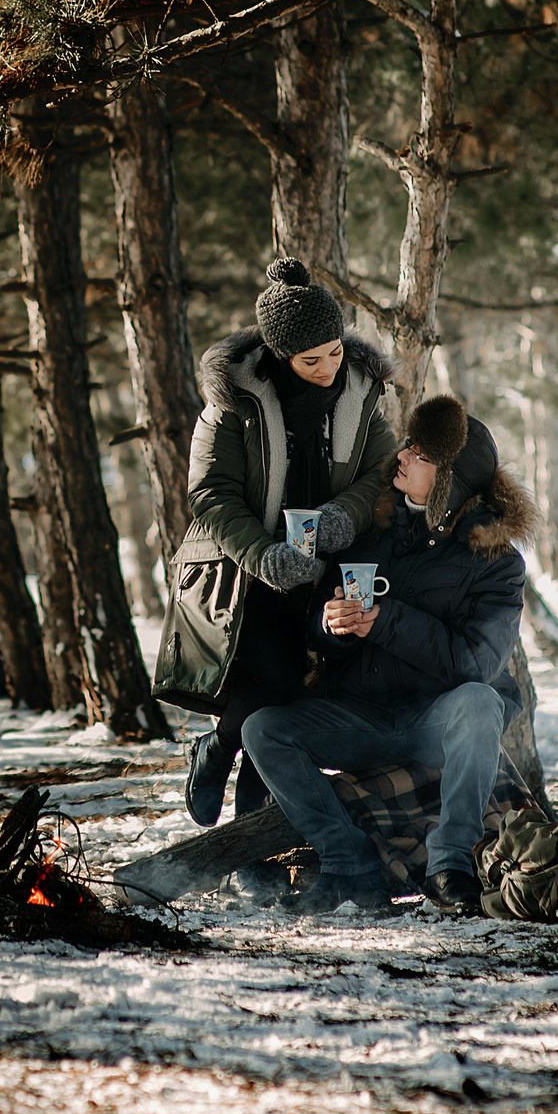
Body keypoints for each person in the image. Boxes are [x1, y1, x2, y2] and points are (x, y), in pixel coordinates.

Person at [238, 394, 533, 915]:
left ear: (450, 478)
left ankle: (451, 864)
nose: (403, 454)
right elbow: (321, 626)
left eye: (420, 453)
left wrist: (386, 620)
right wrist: (332, 626)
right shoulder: (374, 531)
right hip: (363, 715)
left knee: (480, 702)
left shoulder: (496, 562)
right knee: (263, 729)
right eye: (408, 444)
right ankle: (348, 863)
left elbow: (475, 665)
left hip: (434, 720)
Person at [153, 258, 400, 843]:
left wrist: (346, 516)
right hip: (249, 577)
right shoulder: (234, 404)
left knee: (285, 704)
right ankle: (217, 756)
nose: (327, 369)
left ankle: (245, 835)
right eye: (310, 361)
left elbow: (379, 472)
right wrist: (263, 556)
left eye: (335, 353)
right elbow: (211, 494)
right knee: (267, 688)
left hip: (326, 575)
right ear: (279, 355)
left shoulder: (363, 395)